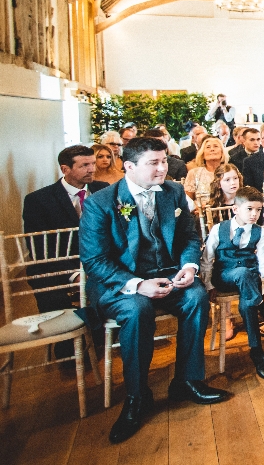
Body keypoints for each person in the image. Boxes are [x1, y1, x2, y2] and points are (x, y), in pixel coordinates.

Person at [80, 137, 230, 444]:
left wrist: (188, 267)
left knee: (197, 296)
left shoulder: (173, 192)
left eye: (164, 161)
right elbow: (94, 261)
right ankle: (137, 396)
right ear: (130, 167)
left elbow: (189, 236)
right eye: (154, 163)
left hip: (168, 275)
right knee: (137, 310)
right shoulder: (99, 203)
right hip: (121, 283)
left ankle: (187, 381)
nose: (163, 168)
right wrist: (138, 285)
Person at [23, 145, 108, 360]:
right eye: (85, 165)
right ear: (65, 169)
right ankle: (70, 344)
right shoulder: (39, 201)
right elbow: (40, 250)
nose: (92, 169)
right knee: (55, 288)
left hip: (99, 261)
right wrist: (74, 273)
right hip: (57, 267)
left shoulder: (103, 190)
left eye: (92, 163)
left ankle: (103, 335)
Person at [201, 186, 264, 379]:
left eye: (258, 210)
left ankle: (257, 351)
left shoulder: (259, 233)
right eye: (249, 209)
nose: (254, 214)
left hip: (250, 279)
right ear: (236, 209)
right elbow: (207, 259)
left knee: (247, 302)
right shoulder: (220, 229)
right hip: (225, 276)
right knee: (243, 273)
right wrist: (209, 285)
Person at [183, 137, 228, 208]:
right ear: (203, 154)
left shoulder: (230, 171)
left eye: (216, 146)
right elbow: (187, 200)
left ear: (222, 152)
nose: (212, 149)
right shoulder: (194, 173)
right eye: (208, 147)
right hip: (201, 214)